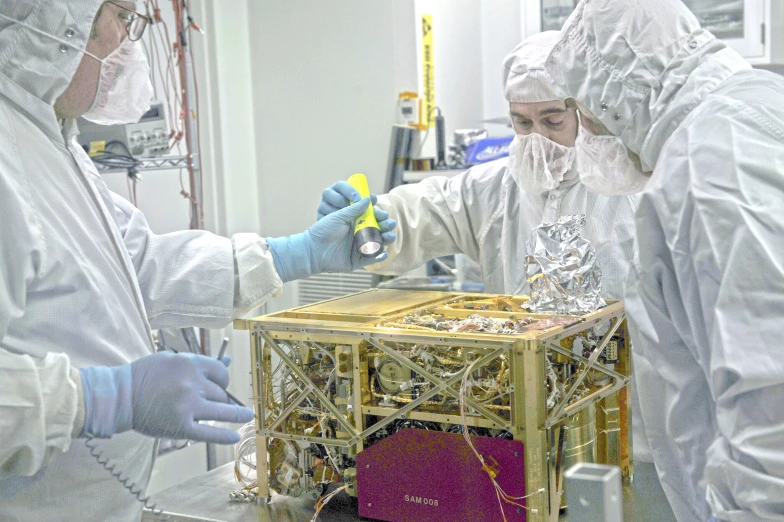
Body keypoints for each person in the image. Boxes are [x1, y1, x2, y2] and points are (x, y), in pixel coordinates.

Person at [0, 1, 395, 520]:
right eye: (119, 14)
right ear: (59, 26)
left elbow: (140, 264)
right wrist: (99, 398)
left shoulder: (48, 140)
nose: (126, 36)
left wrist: (290, 254)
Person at [319, 30, 654, 465]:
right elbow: (426, 209)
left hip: (631, 412)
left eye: (553, 120)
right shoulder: (493, 187)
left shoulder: (631, 186)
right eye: (522, 122)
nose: (538, 137)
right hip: (520, 408)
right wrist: (370, 218)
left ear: (586, 111)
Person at [543, 0, 784, 520]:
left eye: (584, 114)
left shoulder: (713, 165)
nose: (589, 134)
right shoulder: (756, 107)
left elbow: (772, 403)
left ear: (618, 92)